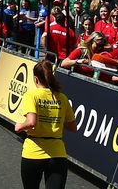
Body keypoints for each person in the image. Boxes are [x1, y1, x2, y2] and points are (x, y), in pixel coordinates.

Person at [14, 59, 77, 189]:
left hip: (33, 152)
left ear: (36, 79)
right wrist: (56, 118)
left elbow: (31, 122)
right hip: (57, 153)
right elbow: (73, 127)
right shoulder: (62, 97)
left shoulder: (31, 95)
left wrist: (19, 126)